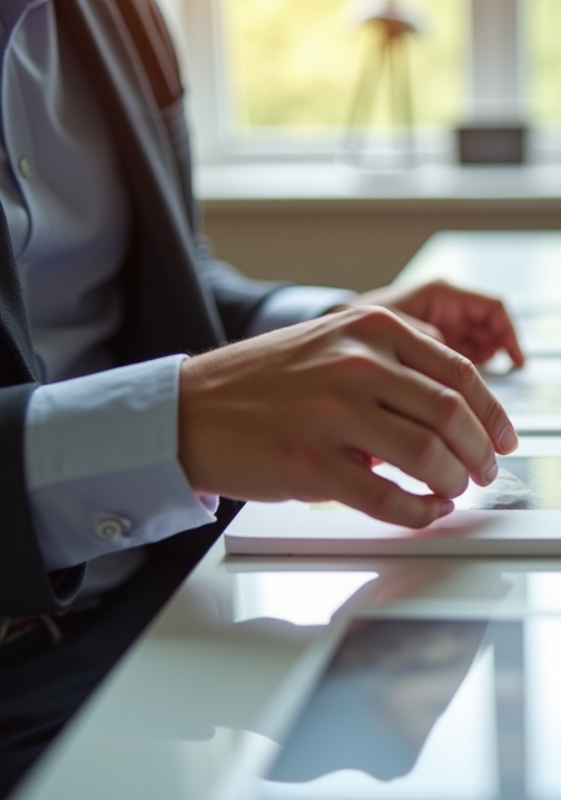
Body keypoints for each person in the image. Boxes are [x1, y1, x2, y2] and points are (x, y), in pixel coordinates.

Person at [0, 0, 523, 636]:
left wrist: (326, 322)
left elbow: (170, 275)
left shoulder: (123, 17)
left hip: (178, 601)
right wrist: (165, 424)